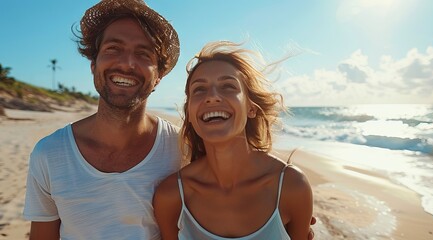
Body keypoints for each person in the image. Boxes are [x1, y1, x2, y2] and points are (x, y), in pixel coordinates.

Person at [23, 0, 182, 239]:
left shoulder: (182, 148)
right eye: (113, 49)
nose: (126, 63)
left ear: (158, 76)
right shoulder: (50, 154)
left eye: (143, 53)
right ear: (93, 64)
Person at [153, 41, 314, 239]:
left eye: (228, 86)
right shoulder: (171, 196)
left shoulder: (291, 186)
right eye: (199, 89)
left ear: (251, 108)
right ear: (190, 113)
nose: (212, 97)